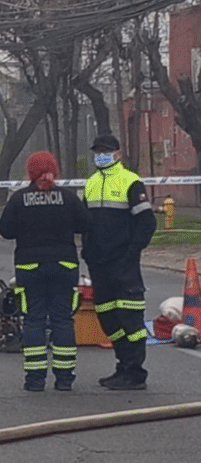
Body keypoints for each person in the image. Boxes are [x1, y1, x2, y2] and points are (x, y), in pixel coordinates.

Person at [0, 151, 91, 392]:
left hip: (30, 268)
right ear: (54, 170)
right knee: (62, 320)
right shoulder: (68, 198)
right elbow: (85, 224)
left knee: (33, 320)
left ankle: (35, 379)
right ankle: (64, 378)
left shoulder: (20, 199)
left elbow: (5, 230)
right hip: (64, 266)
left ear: (29, 172)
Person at [81, 134, 156, 390]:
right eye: (97, 150)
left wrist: (132, 253)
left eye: (106, 150)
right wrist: (87, 252)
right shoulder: (90, 183)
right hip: (98, 265)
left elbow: (147, 222)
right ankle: (123, 366)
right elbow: (84, 223)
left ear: (118, 153)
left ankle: (135, 372)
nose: (101, 154)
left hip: (123, 263)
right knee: (107, 317)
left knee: (130, 318)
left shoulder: (131, 182)